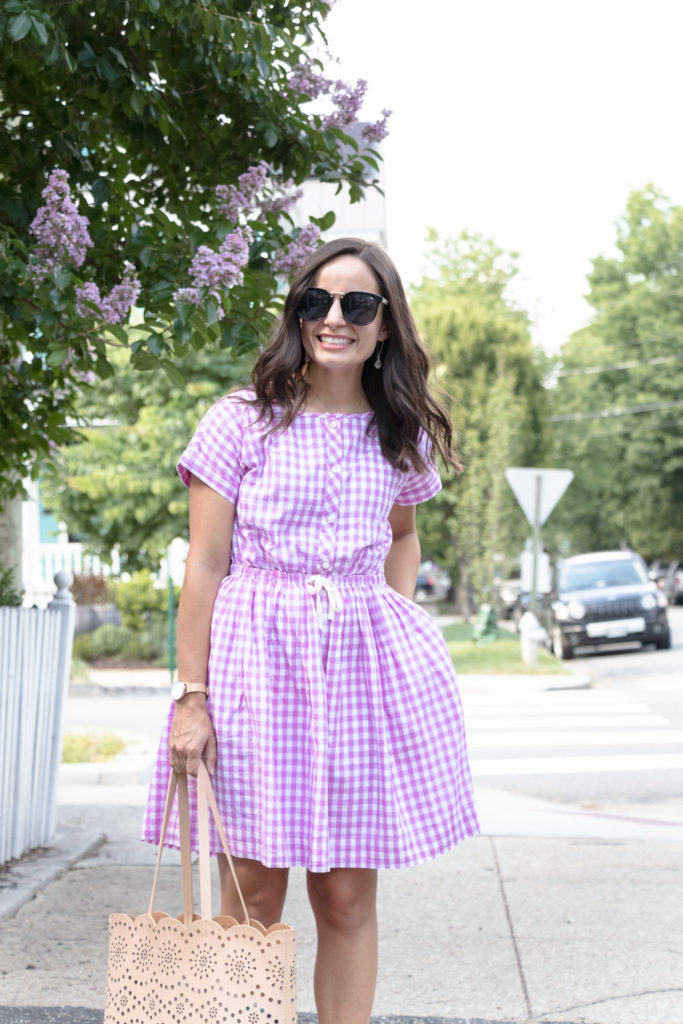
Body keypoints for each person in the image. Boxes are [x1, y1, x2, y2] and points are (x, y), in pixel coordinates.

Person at [142, 236, 479, 1024]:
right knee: (253, 891)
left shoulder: (398, 430)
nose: (334, 318)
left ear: (385, 324)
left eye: (357, 304)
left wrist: (391, 621)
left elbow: (402, 536)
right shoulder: (242, 421)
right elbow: (205, 564)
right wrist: (193, 696)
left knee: (347, 898)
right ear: (297, 313)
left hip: (359, 677)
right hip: (255, 671)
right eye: (316, 301)